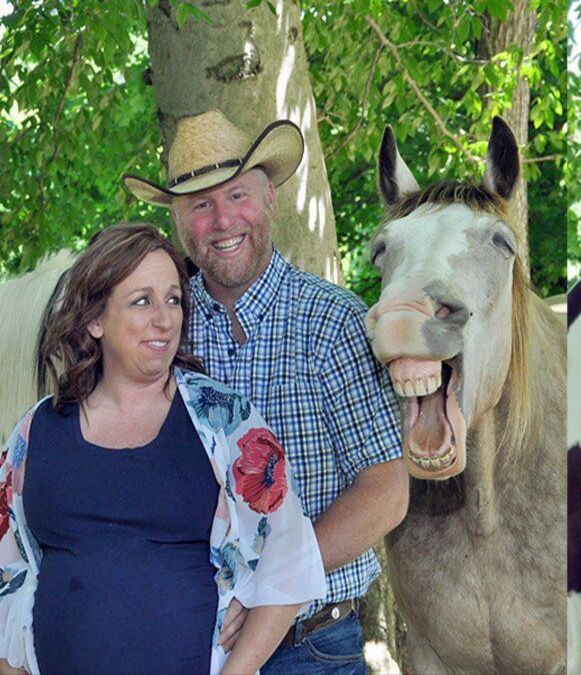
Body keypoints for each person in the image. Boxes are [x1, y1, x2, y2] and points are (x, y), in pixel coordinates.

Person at [122, 110, 408, 672]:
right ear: (178, 220)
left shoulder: (331, 322)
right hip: (183, 643)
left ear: (270, 195)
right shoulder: (162, 330)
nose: (223, 219)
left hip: (312, 646)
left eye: (237, 195)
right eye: (200, 204)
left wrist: (267, 588)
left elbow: (386, 492)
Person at [0, 223, 326, 674]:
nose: (164, 318)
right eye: (142, 301)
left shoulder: (224, 422)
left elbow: (289, 560)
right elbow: (6, 576)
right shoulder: (35, 432)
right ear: (95, 320)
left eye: (173, 299)